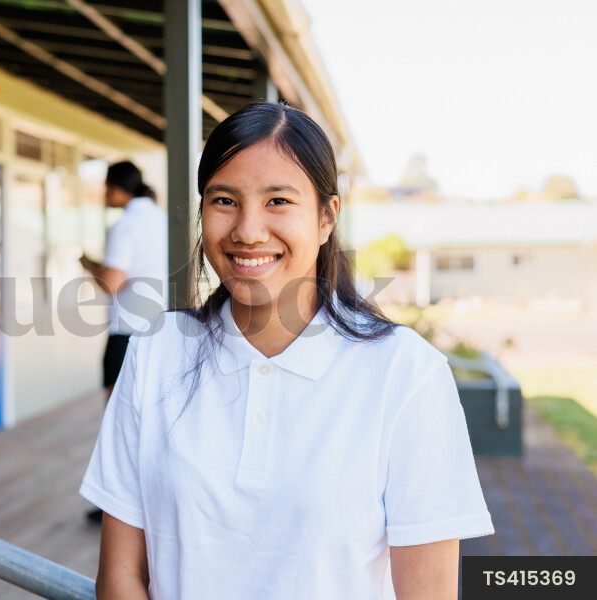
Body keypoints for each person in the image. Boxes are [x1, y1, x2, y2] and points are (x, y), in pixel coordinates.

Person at [80, 103, 494, 599]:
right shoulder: (156, 353)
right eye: (224, 200)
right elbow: (121, 576)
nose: (248, 230)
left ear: (326, 218)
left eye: (278, 200)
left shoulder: (405, 373)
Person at [79, 161, 168, 523]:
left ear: (118, 188)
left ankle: (116, 507)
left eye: (106, 186)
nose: (103, 194)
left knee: (118, 421)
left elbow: (111, 282)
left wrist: (90, 266)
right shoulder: (161, 220)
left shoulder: (125, 225)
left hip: (127, 332)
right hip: (163, 328)